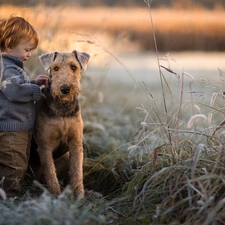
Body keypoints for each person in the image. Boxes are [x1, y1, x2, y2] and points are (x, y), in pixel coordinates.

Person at [0, 15, 48, 198]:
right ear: (10, 45)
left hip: (20, 126)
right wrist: (36, 90)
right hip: (11, 128)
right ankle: (9, 196)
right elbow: (14, 91)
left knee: (20, 160)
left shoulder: (13, 66)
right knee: (14, 164)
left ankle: (9, 191)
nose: (29, 54)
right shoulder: (5, 67)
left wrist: (33, 81)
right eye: (27, 49)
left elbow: (18, 85)